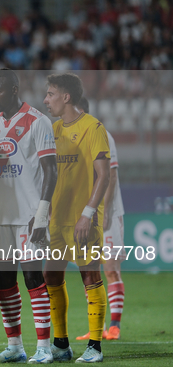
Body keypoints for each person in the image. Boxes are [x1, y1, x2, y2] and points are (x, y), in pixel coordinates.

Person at [0, 69, 57, 364]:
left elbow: (52, 170)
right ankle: (15, 346)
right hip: (2, 216)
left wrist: (42, 214)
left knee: (33, 277)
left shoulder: (38, 121)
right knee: (4, 280)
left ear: (12, 90)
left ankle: (44, 348)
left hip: (29, 216)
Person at [43, 74, 110, 363]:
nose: (46, 100)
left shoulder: (92, 127)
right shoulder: (54, 129)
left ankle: (95, 346)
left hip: (82, 220)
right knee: (51, 276)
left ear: (66, 97)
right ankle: (61, 344)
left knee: (90, 276)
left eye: (50, 94)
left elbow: (103, 174)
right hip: (57, 219)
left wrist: (88, 213)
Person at [75, 97, 126, 342]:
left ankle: (114, 325)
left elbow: (111, 176)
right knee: (89, 271)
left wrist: (104, 211)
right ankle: (98, 327)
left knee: (110, 269)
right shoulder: (74, 137)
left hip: (108, 213)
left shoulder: (102, 134)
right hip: (86, 215)